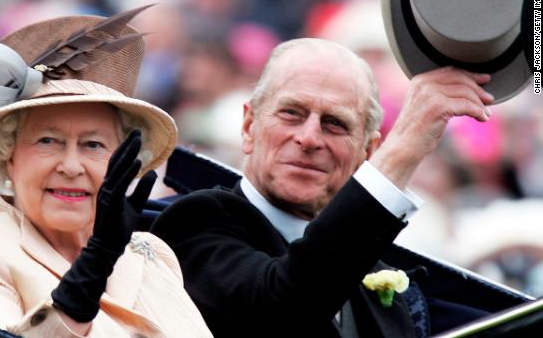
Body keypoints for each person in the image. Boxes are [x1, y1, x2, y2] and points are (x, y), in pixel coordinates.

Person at [151, 38, 495, 337]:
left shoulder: (380, 280)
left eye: (335, 123)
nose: (309, 138)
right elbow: (283, 308)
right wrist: (405, 148)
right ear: (249, 126)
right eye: (291, 113)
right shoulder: (193, 224)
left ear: (367, 152)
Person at [0, 7, 212, 337]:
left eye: (93, 145)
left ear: (125, 158)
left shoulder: (150, 253)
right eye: (48, 141)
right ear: (7, 154)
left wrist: (105, 250)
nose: (70, 166)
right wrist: (93, 268)